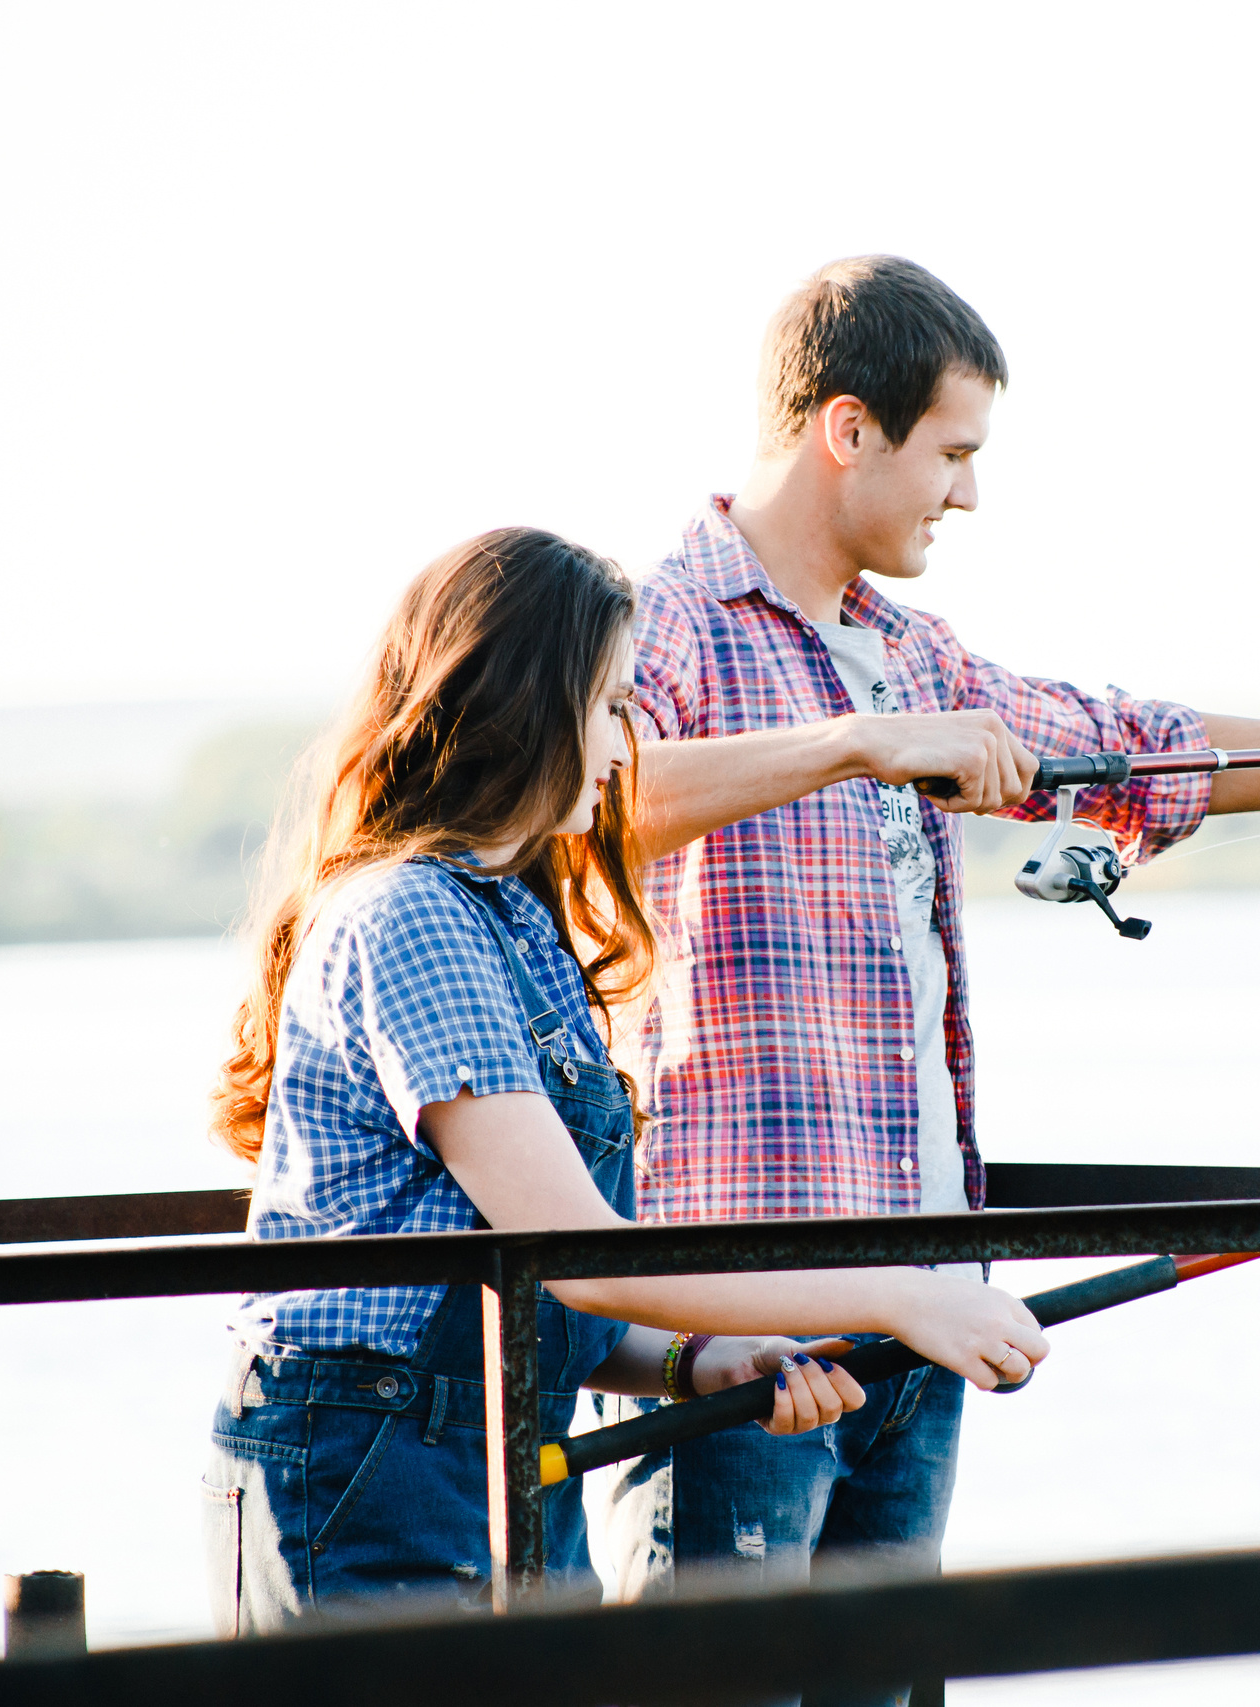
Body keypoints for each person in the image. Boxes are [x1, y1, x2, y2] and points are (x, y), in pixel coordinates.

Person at [604, 258, 1260, 1648]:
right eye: (954, 454)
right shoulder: (655, 617)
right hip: (742, 1333)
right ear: (847, 430)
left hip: (924, 1319)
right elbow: (589, 799)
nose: (969, 495)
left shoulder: (919, 657)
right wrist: (856, 745)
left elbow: (1153, 744)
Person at [198, 526, 1048, 1634]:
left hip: (506, 1445)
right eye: (608, 707)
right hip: (366, 1461)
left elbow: (557, 1295)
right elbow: (582, 1251)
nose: (624, 748)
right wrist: (897, 1292)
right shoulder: (407, 914)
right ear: (523, 709)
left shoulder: (517, 918)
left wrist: (703, 1363)